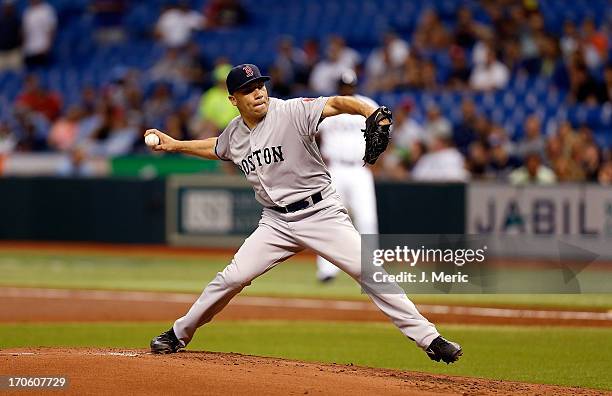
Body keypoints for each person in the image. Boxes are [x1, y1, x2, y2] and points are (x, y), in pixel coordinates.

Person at [145, 63, 462, 364]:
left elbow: (337, 103)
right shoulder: (235, 133)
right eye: (248, 89)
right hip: (275, 223)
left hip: (320, 213)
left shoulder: (291, 111)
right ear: (233, 99)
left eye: (260, 86)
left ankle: (431, 339)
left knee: (371, 272)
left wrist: (371, 112)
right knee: (230, 278)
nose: (258, 93)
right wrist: (175, 145)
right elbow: (217, 147)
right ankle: (177, 334)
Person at [314, 71, 378, 283]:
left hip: (359, 169)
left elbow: (384, 130)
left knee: (366, 219)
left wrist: (375, 158)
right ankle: (327, 269)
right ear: (339, 87)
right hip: (335, 169)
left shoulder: (366, 104)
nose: (347, 89)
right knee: (328, 218)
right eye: (344, 86)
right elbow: (313, 134)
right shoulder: (328, 105)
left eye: (350, 86)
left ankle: (371, 268)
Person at [22, 0, 57, 68]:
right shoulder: (27, 11)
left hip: (41, 48)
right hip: (29, 49)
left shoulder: (46, 10)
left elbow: (51, 29)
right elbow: (25, 31)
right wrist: (24, 47)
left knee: (42, 74)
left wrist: (47, 47)